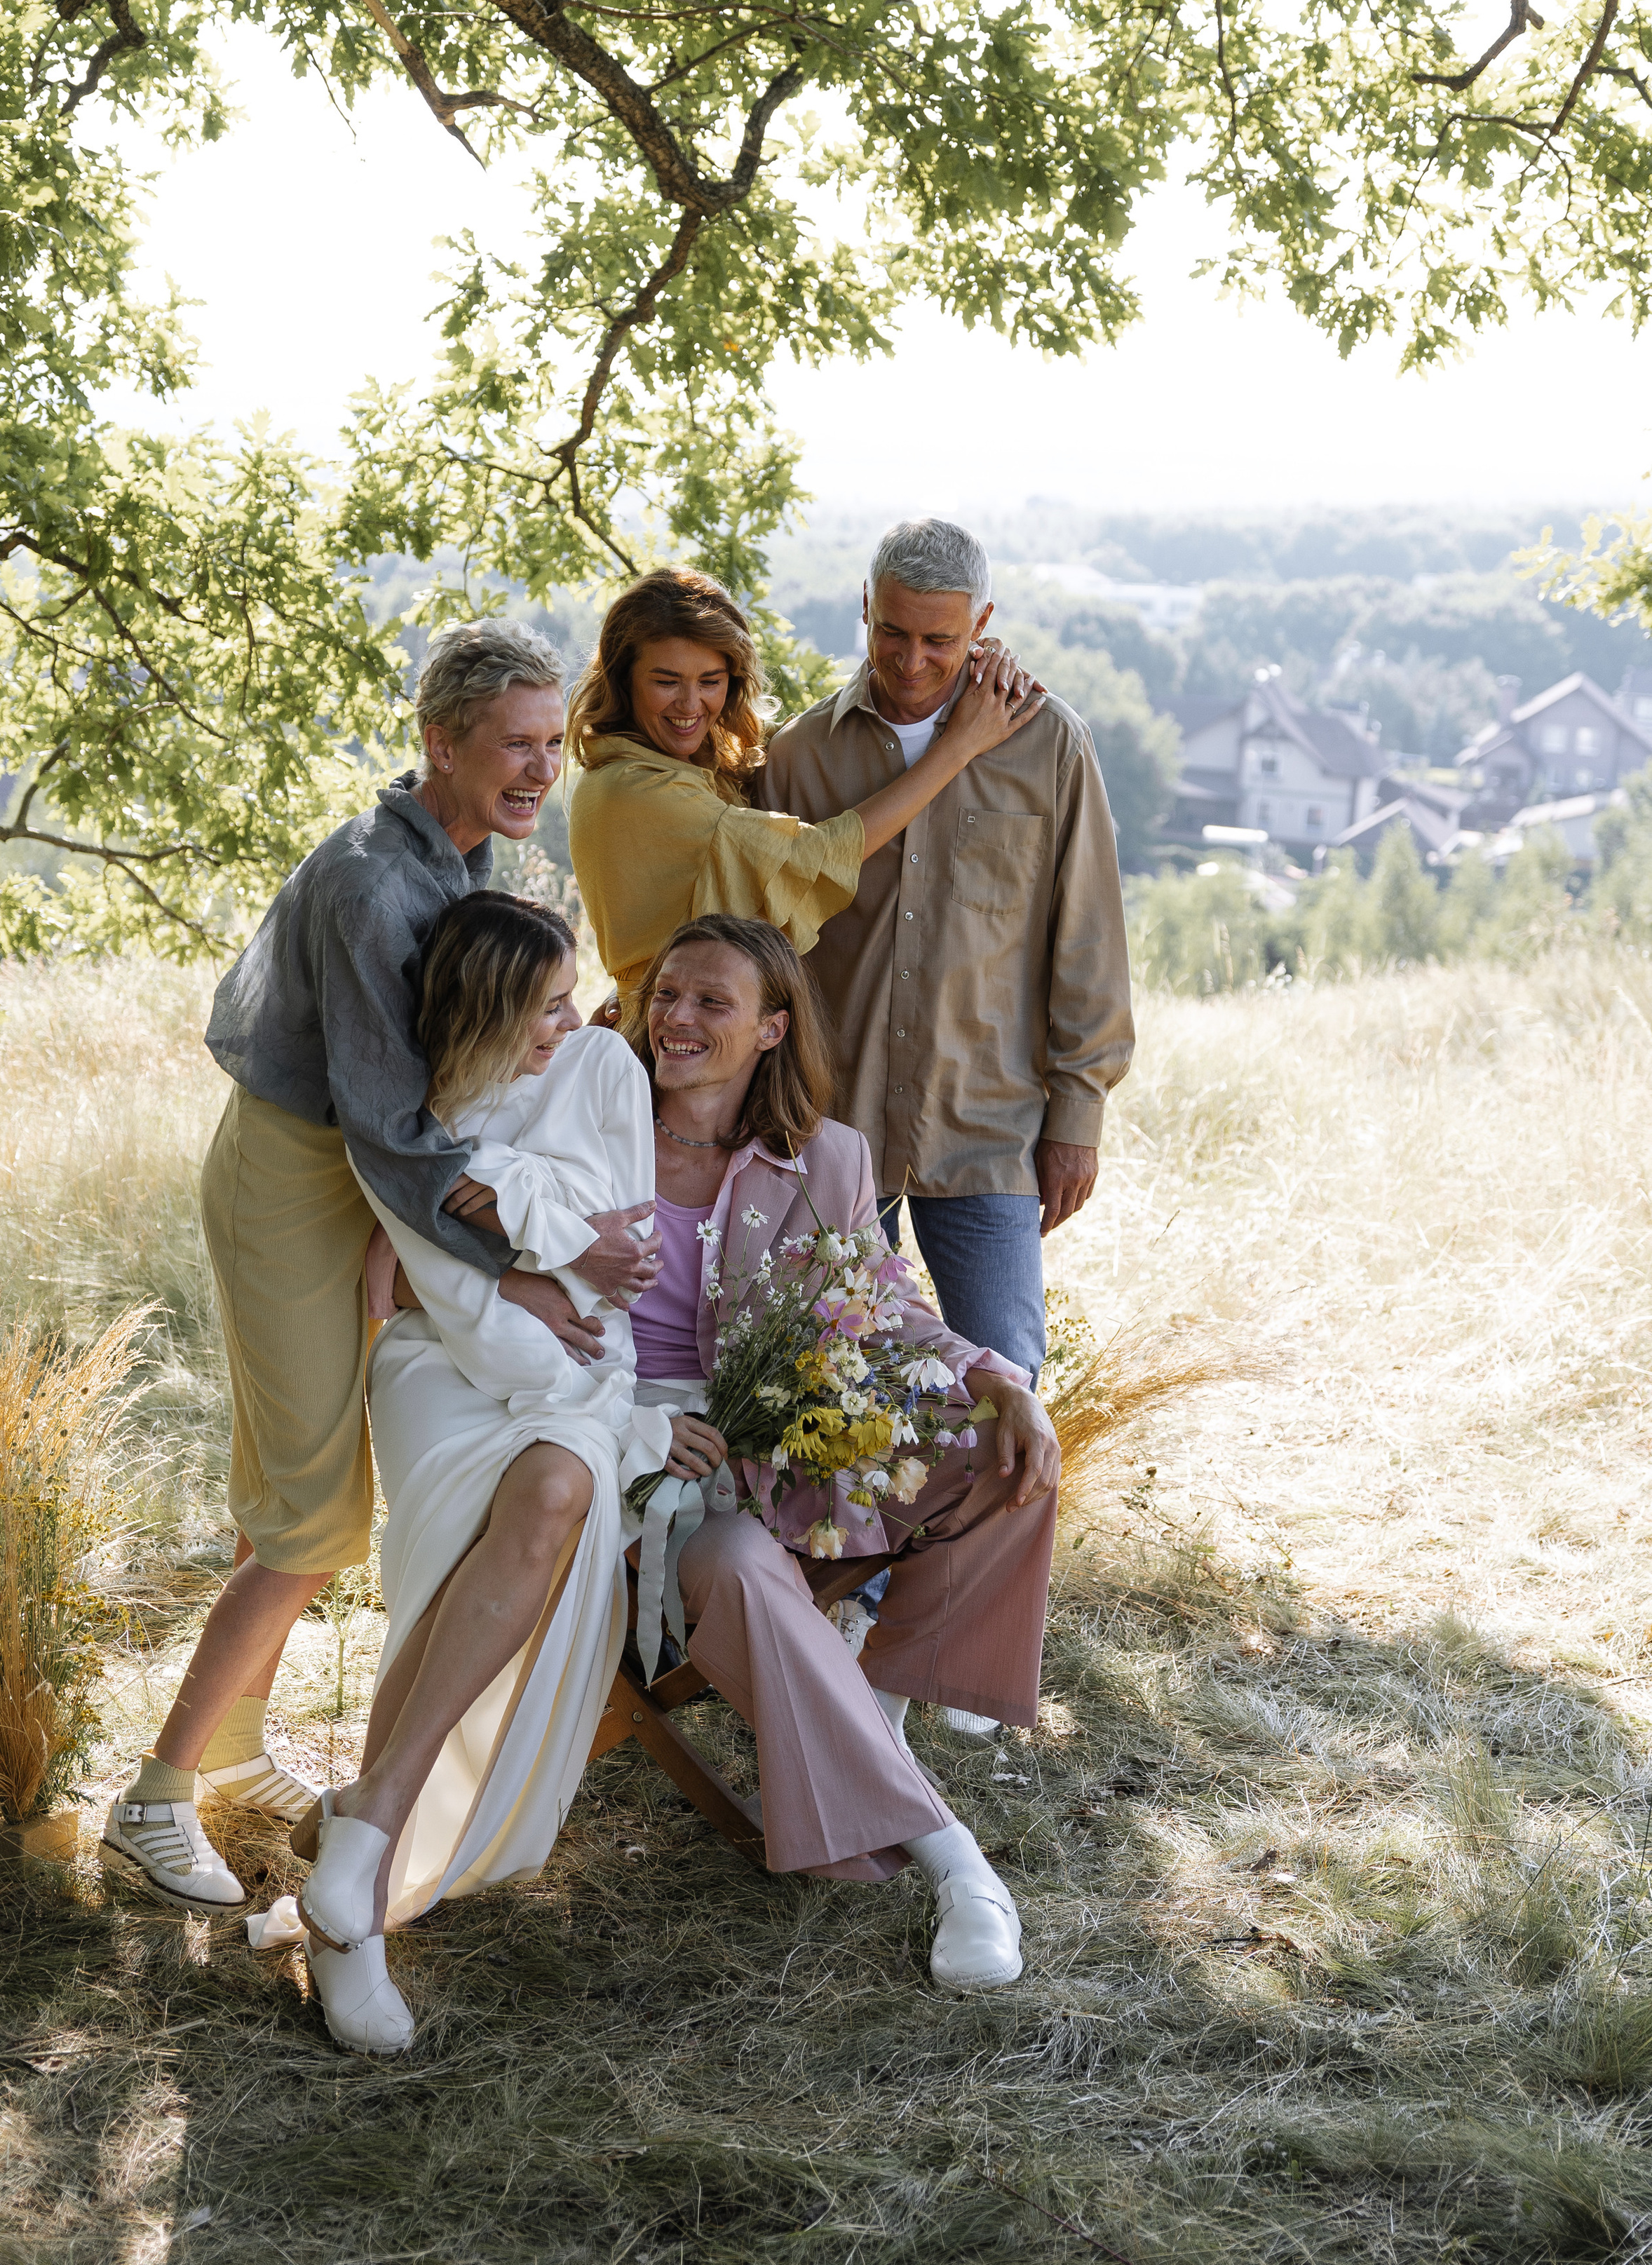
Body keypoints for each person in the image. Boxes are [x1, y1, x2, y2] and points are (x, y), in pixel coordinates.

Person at [104, 623, 658, 1915]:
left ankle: (238, 1751)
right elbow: (394, 1131)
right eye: (512, 745)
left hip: (372, 1192)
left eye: (547, 744)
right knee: (310, 1522)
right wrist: (523, 1266)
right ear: (440, 743)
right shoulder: (372, 888)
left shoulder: (467, 854)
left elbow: (451, 1093)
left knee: (291, 1497)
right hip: (303, 1184)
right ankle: (155, 1796)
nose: (537, 769)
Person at [252, 892, 669, 2055]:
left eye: (566, 997)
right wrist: (523, 1254)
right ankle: (353, 1925)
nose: (566, 1022)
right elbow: (440, 1283)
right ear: (483, 1007)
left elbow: (616, 1249)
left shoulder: (603, 1069)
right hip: (445, 1359)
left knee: (555, 1489)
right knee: (442, 1583)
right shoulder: (410, 1106)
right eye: (540, 1007)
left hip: (575, 1367)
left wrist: (498, 1222)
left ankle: (366, 1826)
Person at [626, 914, 1062, 1992]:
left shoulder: (826, 1157)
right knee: (734, 1565)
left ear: (772, 1030)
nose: (676, 1018)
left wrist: (1000, 1378)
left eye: (710, 1003)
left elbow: (885, 1309)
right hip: (635, 1457)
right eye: (666, 995)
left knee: (1002, 1453)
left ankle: (872, 1709)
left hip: (783, 1443)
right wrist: (624, 1427)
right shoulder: (592, 1126)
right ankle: (957, 1862)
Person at [759, 514, 1135, 1372]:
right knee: (830, 1379)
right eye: (892, 631)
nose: (913, 660)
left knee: (1006, 1373)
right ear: (863, 608)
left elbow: (1088, 939)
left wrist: (1078, 1115)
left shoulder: (1048, 744)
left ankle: (988, 1514)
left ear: (983, 625)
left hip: (988, 1126)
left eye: (941, 639)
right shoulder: (800, 757)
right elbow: (766, 952)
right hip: (833, 1124)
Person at [564, 566, 1039, 1010]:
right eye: (666, 681)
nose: (691, 704)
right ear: (624, 680)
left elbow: (804, 745)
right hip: (666, 1050)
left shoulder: (691, 764)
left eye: (711, 681)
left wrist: (968, 653)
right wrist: (958, 748)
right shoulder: (630, 787)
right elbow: (815, 857)